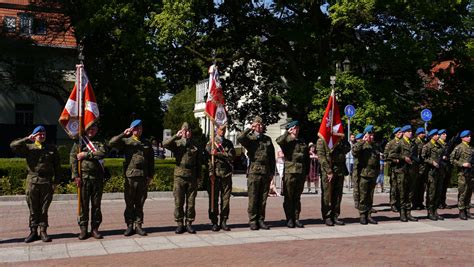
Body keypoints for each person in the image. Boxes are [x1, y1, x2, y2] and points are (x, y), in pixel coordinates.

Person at [10, 126, 62, 243]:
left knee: (44, 209)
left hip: (46, 182)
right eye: (39, 133)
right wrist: (27, 138)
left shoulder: (51, 149)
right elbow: (13, 145)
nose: (42, 135)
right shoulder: (28, 148)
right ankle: (33, 231)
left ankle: (43, 231)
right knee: (33, 208)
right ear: (34, 136)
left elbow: (58, 167)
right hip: (32, 182)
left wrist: (55, 183)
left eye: (44, 133)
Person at [108, 119, 154, 236]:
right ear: (132, 129)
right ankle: (129, 225)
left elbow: (151, 161)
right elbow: (111, 143)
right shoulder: (126, 141)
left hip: (143, 177)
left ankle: (138, 225)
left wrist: (150, 175)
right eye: (135, 128)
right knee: (129, 203)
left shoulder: (147, 143)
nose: (138, 130)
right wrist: (124, 133)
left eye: (140, 128)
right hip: (130, 177)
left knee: (140, 203)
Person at [237, 116, 275, 230]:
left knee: (263, 198)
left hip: (265, 171)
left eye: (261, 124)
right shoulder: (250, 138)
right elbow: (240, 138)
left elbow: (272, 157)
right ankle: (253, 220)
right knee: (253, 197)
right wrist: (250, 128)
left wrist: (272, 172)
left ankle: (261, 220)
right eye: (257, 124)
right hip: (254, 170)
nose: (259, 126)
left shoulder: (267, 139)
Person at [70, 123, 107, 240]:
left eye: (94, 128)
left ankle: (95, 229)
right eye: (89, 128)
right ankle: (83, 229)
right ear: (86, 129)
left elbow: (102, 153)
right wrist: (75, 176)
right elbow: (73, 159)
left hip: (97, 179)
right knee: (83, 205)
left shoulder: (101, 142)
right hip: (84, 179)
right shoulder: (79, 142)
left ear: (97, 129)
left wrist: (86, 154)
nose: (91, 130)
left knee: (96, 205)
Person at [163, 122, 201, 234]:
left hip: (192, 176)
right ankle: (179, 223)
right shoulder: (177, 143)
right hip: (179, 176)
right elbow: (165, 144)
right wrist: (176, 136)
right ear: (181, 131)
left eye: (188, 131)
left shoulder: (195, 145)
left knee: (191, 202)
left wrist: (199, 176)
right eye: (184, 131)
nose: (186, 133)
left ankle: (189, 223)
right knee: (178, 201)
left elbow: (199, 162)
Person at [276, 120, 309, 228]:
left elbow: (306, 158)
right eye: (294, 128)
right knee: (289, 197)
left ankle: (296, 218)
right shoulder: (287, 140)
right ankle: (289, 219)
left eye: (297, 127)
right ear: (291, 129)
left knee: (297, 197)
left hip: (300, 172)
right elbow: (279, 141)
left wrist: (307, 172)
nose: (296, 129)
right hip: (290, 172)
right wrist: (286, 133)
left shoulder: (302, 141)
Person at [317, 131, 350, 226]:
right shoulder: (322, 140)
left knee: (338, 195)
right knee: (327, 195)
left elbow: (347, 149)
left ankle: (335, 216)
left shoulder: (340, 140)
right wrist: (328, 171)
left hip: (339, 170)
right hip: (328, 171)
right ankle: (327, 216)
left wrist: (342, 139)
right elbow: (321, 157)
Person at [206, 124, 235, 231]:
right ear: (216, 130)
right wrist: (210, 174)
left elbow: (231, 156)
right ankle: (214, 221)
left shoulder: (228, 143)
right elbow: (208, 160)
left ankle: (223, 221)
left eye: (224, 129)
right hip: (215, 175)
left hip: (226, 175)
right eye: (220, 129)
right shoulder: (211, 143)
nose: (222, 131)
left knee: (225, 200)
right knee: (213, 199)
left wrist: (218, 153)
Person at [388, 125, 418, 222]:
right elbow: (391, 154)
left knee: (410, 193)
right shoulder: (399, 143)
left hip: (411, 171)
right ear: (404, 132)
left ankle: (408, 213)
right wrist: (403, 157)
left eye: (411, 131)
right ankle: (402, 213)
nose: (410, 133)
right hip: (401, 171)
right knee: (402, 193)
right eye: (408, 131)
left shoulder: (413, 143)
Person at [352, 125, 380, 224]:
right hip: (363, 174)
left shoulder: (375, 146)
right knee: (363, 196)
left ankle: (369, 215)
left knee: (370, 196)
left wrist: (377, 173)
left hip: (373, 174)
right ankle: (362, 215)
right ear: (365, 135)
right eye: (369, 134)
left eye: (372, 135)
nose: (371, 137)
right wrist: (362, 141)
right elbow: (354, 152)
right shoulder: (361, 145)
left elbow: (377, 161)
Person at [421, 129, 444, 221]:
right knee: (431, 193)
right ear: (431, 136)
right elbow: (423, 157)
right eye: (436, 135)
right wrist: (432, 162)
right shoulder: (427, 146)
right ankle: (430, 212)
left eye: (438, 134)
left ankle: (435, 211)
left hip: (439, 172)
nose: (438, 136)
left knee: (438, 192)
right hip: (431, 172)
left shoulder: (440, 145)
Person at [450, 130, 473, 220]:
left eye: (470, 136)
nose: (469, 137)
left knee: (469, 193)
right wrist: (462, 164)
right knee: (462, 192)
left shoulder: (471, 148)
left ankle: (467, 210)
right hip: (462, 174)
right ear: (462, 138)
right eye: (467, 136)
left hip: (470, 174)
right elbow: (452, 159)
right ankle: (461, 211)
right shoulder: (459, 148)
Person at [384, 127, 402, 212]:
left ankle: (399, 203)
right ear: (395, 134)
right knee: (394, 187)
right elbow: (385, 156)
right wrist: (395, 160)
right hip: (394, 168)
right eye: (398, 132)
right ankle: (393, 204)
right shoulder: (390, 143)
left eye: (401, 132)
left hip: (402, 168)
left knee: (400, 187)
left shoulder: (403, 142)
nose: (400, 133)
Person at [413, 127, 427, 210]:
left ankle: (420, 202)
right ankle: (415, 203)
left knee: (422, 186)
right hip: (417, 167)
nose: (424, 134)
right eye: (422, 133)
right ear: (419, 134)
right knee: (416, 186)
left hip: (422, 167)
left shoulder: (423, 142)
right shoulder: (415, 142)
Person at [437, 129, 450, 209]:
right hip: (439, 168)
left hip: (445, 168)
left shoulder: (446, 144)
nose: (445, 135)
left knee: (444, 186)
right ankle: (438, 203)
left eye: (445, 134)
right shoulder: (437, 144)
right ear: (440, 135)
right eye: (444, 134)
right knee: (439, 187)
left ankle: (443, 202)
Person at [352, 133, 364, 208]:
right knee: (356, 186)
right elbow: (355, 152)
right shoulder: (356, 146)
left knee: (364, 187)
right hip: (357, 168)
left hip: (364, 168)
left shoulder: (366, 146)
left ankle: (364, 203)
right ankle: (357, 201)